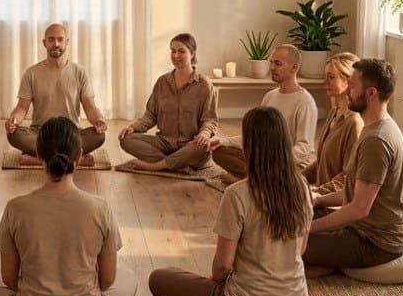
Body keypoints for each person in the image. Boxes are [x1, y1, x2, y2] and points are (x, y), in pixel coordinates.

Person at [149, 106, 310, 296]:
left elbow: (222, 267)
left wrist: (213, 287)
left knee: (160, 278)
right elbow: (301, 249)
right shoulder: (303, 187)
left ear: (249, 146)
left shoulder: (238, 194)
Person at [0, 117, 138, 296]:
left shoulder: (15, 208)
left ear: (37, 155)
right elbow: (107, 281)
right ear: (79, 156)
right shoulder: (101, 208)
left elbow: (8, 279)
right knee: (128, 278)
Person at [305, 58, 403, 274]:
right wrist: (318, 200)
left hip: (374, 241)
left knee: (282, 242)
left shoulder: (376, 141)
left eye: (352, 86)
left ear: (371, 93)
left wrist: (307, 229)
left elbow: (359, 209)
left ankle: (323, 266)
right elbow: (355, 192)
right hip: (359, 228)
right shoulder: (373, 128)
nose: (347, 92)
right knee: (290, 218)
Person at [4, 23, 108, 167]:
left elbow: (90, 107)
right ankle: (73, 158)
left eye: (60, 39)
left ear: (67, 42)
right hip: (40, 133)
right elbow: (21, 108)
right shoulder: (31, 73)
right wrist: (13, 120)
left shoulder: (79, 72)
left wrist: (99, 121)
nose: (56, 44)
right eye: (51, 40)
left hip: (70, 133)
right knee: (14, 135)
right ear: (44, 43)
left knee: (99, 136)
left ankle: (39, 159)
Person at [210, 45, 318, 182]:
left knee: (259, 167)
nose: (272, 68)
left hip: (286, 164)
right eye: (271, 62)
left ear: (294, 68)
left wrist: (274, 161)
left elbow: (304, 147)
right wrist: (222, 140)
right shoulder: (270, 96)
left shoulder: (305, 102)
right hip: (263, 159)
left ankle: (255, 181)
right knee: (218, 151)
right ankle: (260, 181)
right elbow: (254, 136)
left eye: (278, 63)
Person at [117, 33, 219, 173]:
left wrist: (204, 134)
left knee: (202, 147)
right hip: (164, 142)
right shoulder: (162, 82)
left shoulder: (204, 85)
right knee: (126, 140)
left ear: (192, 53)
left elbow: (210, 120)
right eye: (173, 51)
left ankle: (155, 166)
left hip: (190, 144)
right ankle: (177, 164)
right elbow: (151, 115)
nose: (176, 55)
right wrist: (133, 128)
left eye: (181, 51)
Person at [303, 52, 363, 195]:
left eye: (331, 77)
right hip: (320, 195)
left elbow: (348, 177)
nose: (325, 82)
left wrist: (316, 194)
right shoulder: (334, 113)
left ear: (348, 81)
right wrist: (297, 178)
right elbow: (322, 163)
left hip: (333, 203)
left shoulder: (354, 123)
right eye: (325, 77)